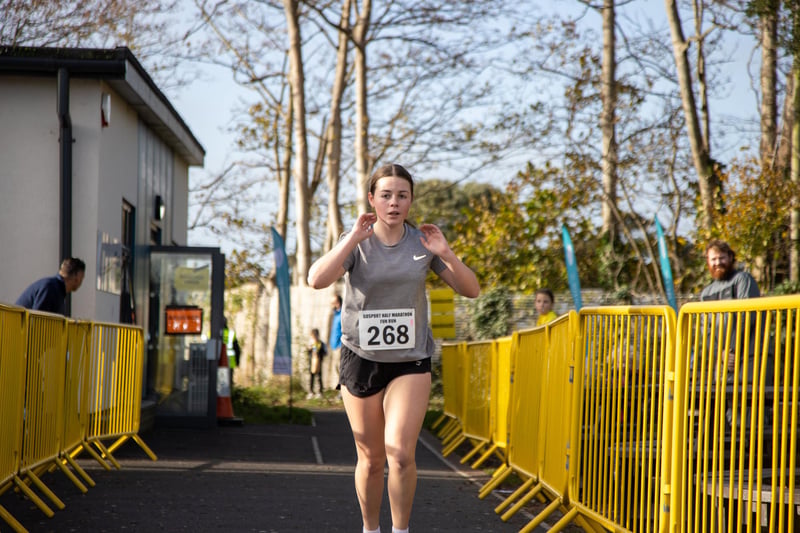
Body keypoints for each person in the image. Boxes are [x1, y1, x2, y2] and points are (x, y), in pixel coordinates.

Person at [307, 163, 480, 533]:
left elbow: (471, 289)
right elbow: (316, 279)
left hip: (410, 360)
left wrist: (446, 253)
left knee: (399, 454)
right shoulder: (357, 241)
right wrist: (351, 238)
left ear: (411, 200)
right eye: (385, 195)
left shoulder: (423, 242)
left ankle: (400, 531)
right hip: (361, 358)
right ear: (372, 199)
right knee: (370, 459)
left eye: (402, 195)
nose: (394, 202)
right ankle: (371, 528)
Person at [15, 257, 86, 315]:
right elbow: (38, 320)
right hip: (19, 330)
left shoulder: (54, 288)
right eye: (82, 277)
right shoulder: (50, 288)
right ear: (78, 277)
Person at [307, 327, 327, 397]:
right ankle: (310, 391)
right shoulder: (311, 344)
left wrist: (320, 353)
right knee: (311, 377)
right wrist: (310, 349)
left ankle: (320, 392)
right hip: (311, 363)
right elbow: (308, 352)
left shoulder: (321, 344)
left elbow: (325, 353)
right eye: (313, 336)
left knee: (319, 377)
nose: (314, 337)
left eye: (315, 335)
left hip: (319, 363)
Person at [328, 294, 343, 387]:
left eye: (333, 303)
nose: (331, 305)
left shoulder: (342, 314)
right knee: (336, 368)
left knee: (340, 368)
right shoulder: (335, 314)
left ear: (337, 303)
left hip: (340, 346)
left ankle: (342, 389)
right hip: (334, 345)